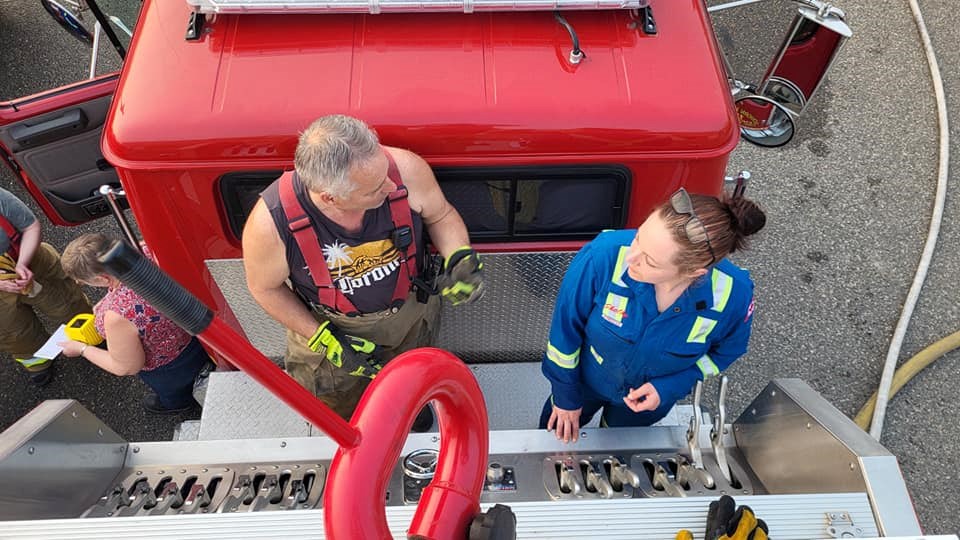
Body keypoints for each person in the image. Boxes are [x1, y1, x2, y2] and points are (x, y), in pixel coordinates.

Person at [242, 114, 483, 429]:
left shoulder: (404, 170)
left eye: (385, 170)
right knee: (343, 418)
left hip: (410, 320)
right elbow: (264, 288)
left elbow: (441, 216)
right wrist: (324, 339)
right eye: (373, 189)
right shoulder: (271, 224)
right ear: (331, 197)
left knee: (413, 391)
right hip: (335, 335)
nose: (391, 185)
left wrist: (460, 256)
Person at [540, 187, 766, 443]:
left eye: (650, 261)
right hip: (583, 382)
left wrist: (671, 386)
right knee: (549, 442)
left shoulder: (733, 296)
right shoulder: (602, 256)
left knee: (616, 449)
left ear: (694, 273)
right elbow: (564, 334)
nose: (631, 257)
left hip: (647, 404)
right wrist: (565, 397)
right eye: (638, 237)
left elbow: (724, 353)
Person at [58, 233, 213, 414]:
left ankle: (178, 404)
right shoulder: (147, 249)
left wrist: (81, 349)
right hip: (199, 333)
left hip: (168, 367)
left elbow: (127, 367)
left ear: (103, 278)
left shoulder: (117, 316)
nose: (81, 284)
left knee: (176, 393)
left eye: (84, 282)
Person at [0, 187, 92, 386]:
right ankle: (36, 360)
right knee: (13, 331)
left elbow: (30, 227)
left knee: (67, 302)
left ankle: (88, 335)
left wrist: (22, 263)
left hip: (31, 260)